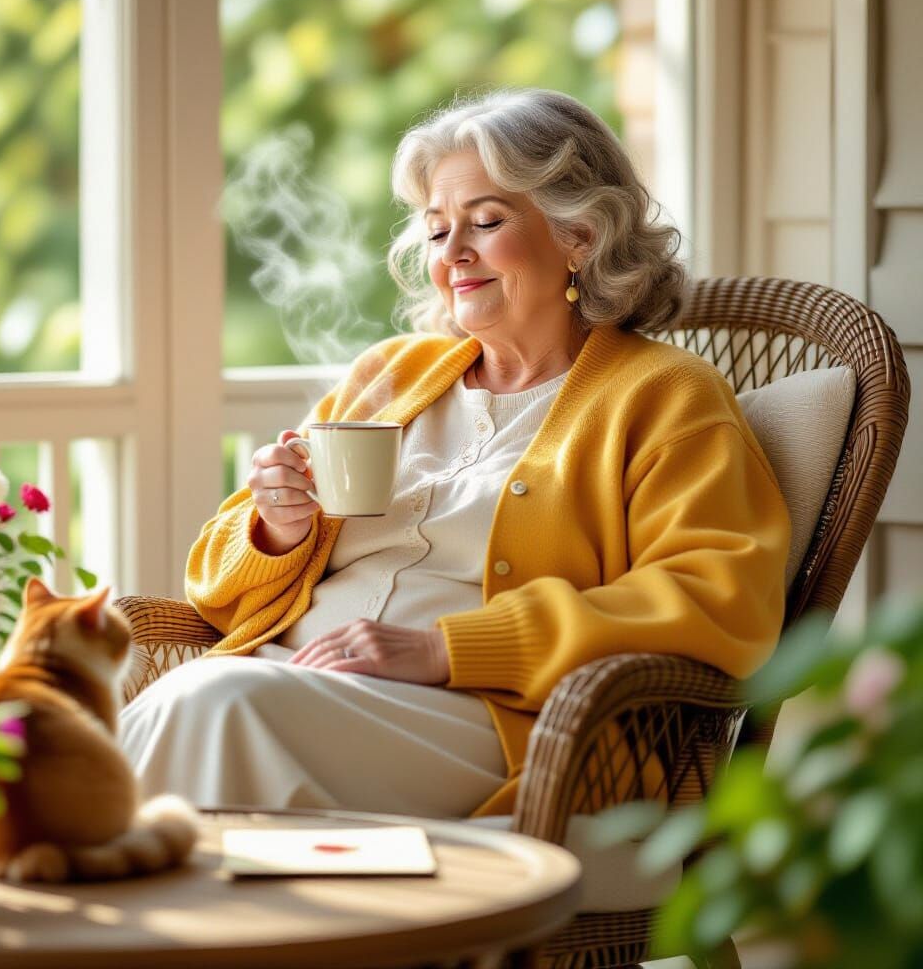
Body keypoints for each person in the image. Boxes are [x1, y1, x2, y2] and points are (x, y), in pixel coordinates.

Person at [119, 88, 790, 818]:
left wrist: (449, 649)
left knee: (208, 706)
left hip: (501, 727)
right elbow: (211, 589)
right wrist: (277, 529)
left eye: (487, 221)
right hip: (285, 686)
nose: (454, 254)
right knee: (159, 715)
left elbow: (719, 600)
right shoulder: (392, 375)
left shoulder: (665, 396)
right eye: (438, 232)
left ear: (581, 235)